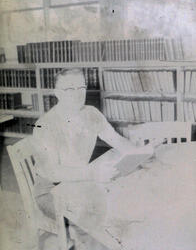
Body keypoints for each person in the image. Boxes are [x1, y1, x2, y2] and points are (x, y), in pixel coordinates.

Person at [31, 68, 154, 250]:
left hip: (80, 182)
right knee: (98, 220)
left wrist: (141, 151)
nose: (77, 94)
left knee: (127, 197)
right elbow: (53, 172)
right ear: (57, 93)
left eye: (81, 87)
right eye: (69, 89)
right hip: (52, 191)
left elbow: (116, 140)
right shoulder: (45, 125)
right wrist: (92, 174)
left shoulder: (91, 113)